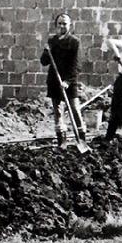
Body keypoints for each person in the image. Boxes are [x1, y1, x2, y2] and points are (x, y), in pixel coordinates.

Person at [40, 13, 86, 148]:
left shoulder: (74, 42)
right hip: (54, 80)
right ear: (56, 25)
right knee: (58, 111)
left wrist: (67, 81)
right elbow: (44, 62)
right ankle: (62, 142)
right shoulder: (52, 41)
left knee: (75, 110)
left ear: (70, 25)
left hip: (69, 81)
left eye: (64, 24)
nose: (62, 26)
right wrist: (46, 51)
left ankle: (82, 140)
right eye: (59, 23)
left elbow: (76, 65)